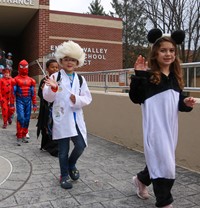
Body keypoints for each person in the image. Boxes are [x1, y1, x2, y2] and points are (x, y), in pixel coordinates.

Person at [129, 29, 196, 208]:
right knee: (166, 165)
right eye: (163, 50)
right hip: (154, 129)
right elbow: (136, 97)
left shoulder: (175, 78)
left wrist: (186, 103)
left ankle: (141, 180)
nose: (168, 54)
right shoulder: (149, 76)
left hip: (170, 129)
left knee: (159, 159)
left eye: (171, 50)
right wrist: (139, 75)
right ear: (156, 53)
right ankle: (164, 202)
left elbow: (178, 102)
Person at [43, 40, 92, 189]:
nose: (69, 62)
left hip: (76, 118)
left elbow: (88, 98)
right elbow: (47, 97)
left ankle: (71, 164)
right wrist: (53, 89)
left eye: (72, 59)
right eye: (66, 59)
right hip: (62, 118)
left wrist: (76, 99)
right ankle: (64, 175)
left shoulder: (80, 79)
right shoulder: (55, 77)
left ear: (77, 61)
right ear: (61, 60)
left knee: (81, 145)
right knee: (63, 151)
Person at [37, 59, 59, 156]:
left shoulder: (59, 80)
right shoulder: (44, 80)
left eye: (57, 67)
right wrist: (43, 92)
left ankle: (54, 149)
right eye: (52, 67)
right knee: (46, 127)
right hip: (46, 109)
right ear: (47, 69)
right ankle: (47, 146)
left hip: (57, 109)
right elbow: (40, 94)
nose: (55, 69)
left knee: (55, 128)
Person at [14, 60, 37, 146]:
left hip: (28, 101)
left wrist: (34, 103)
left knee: (27, 119)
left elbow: (33, 93)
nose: (24, 68)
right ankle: (19, 135)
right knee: (21, 118)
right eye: (22, 66)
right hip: (20, 100)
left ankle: (24, 134)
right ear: (19, 68)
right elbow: (13, 93)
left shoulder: (31, 80)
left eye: (25, 66)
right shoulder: (15, 79)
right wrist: (12, 104)